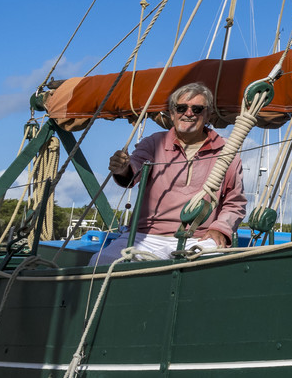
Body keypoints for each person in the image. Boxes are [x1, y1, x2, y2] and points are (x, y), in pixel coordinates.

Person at [99, 82, 247, 261]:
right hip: (145, 235)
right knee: (102, 262)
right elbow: (135, 169)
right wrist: (123, 168)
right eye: (181, 108)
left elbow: (234, 202)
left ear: (208, 114)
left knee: (210, 267)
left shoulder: (226, 150)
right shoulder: (154, 143)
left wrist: (220, 228)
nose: (188, 113)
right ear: (172, 113)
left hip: (198, 236)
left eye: (197, 109)